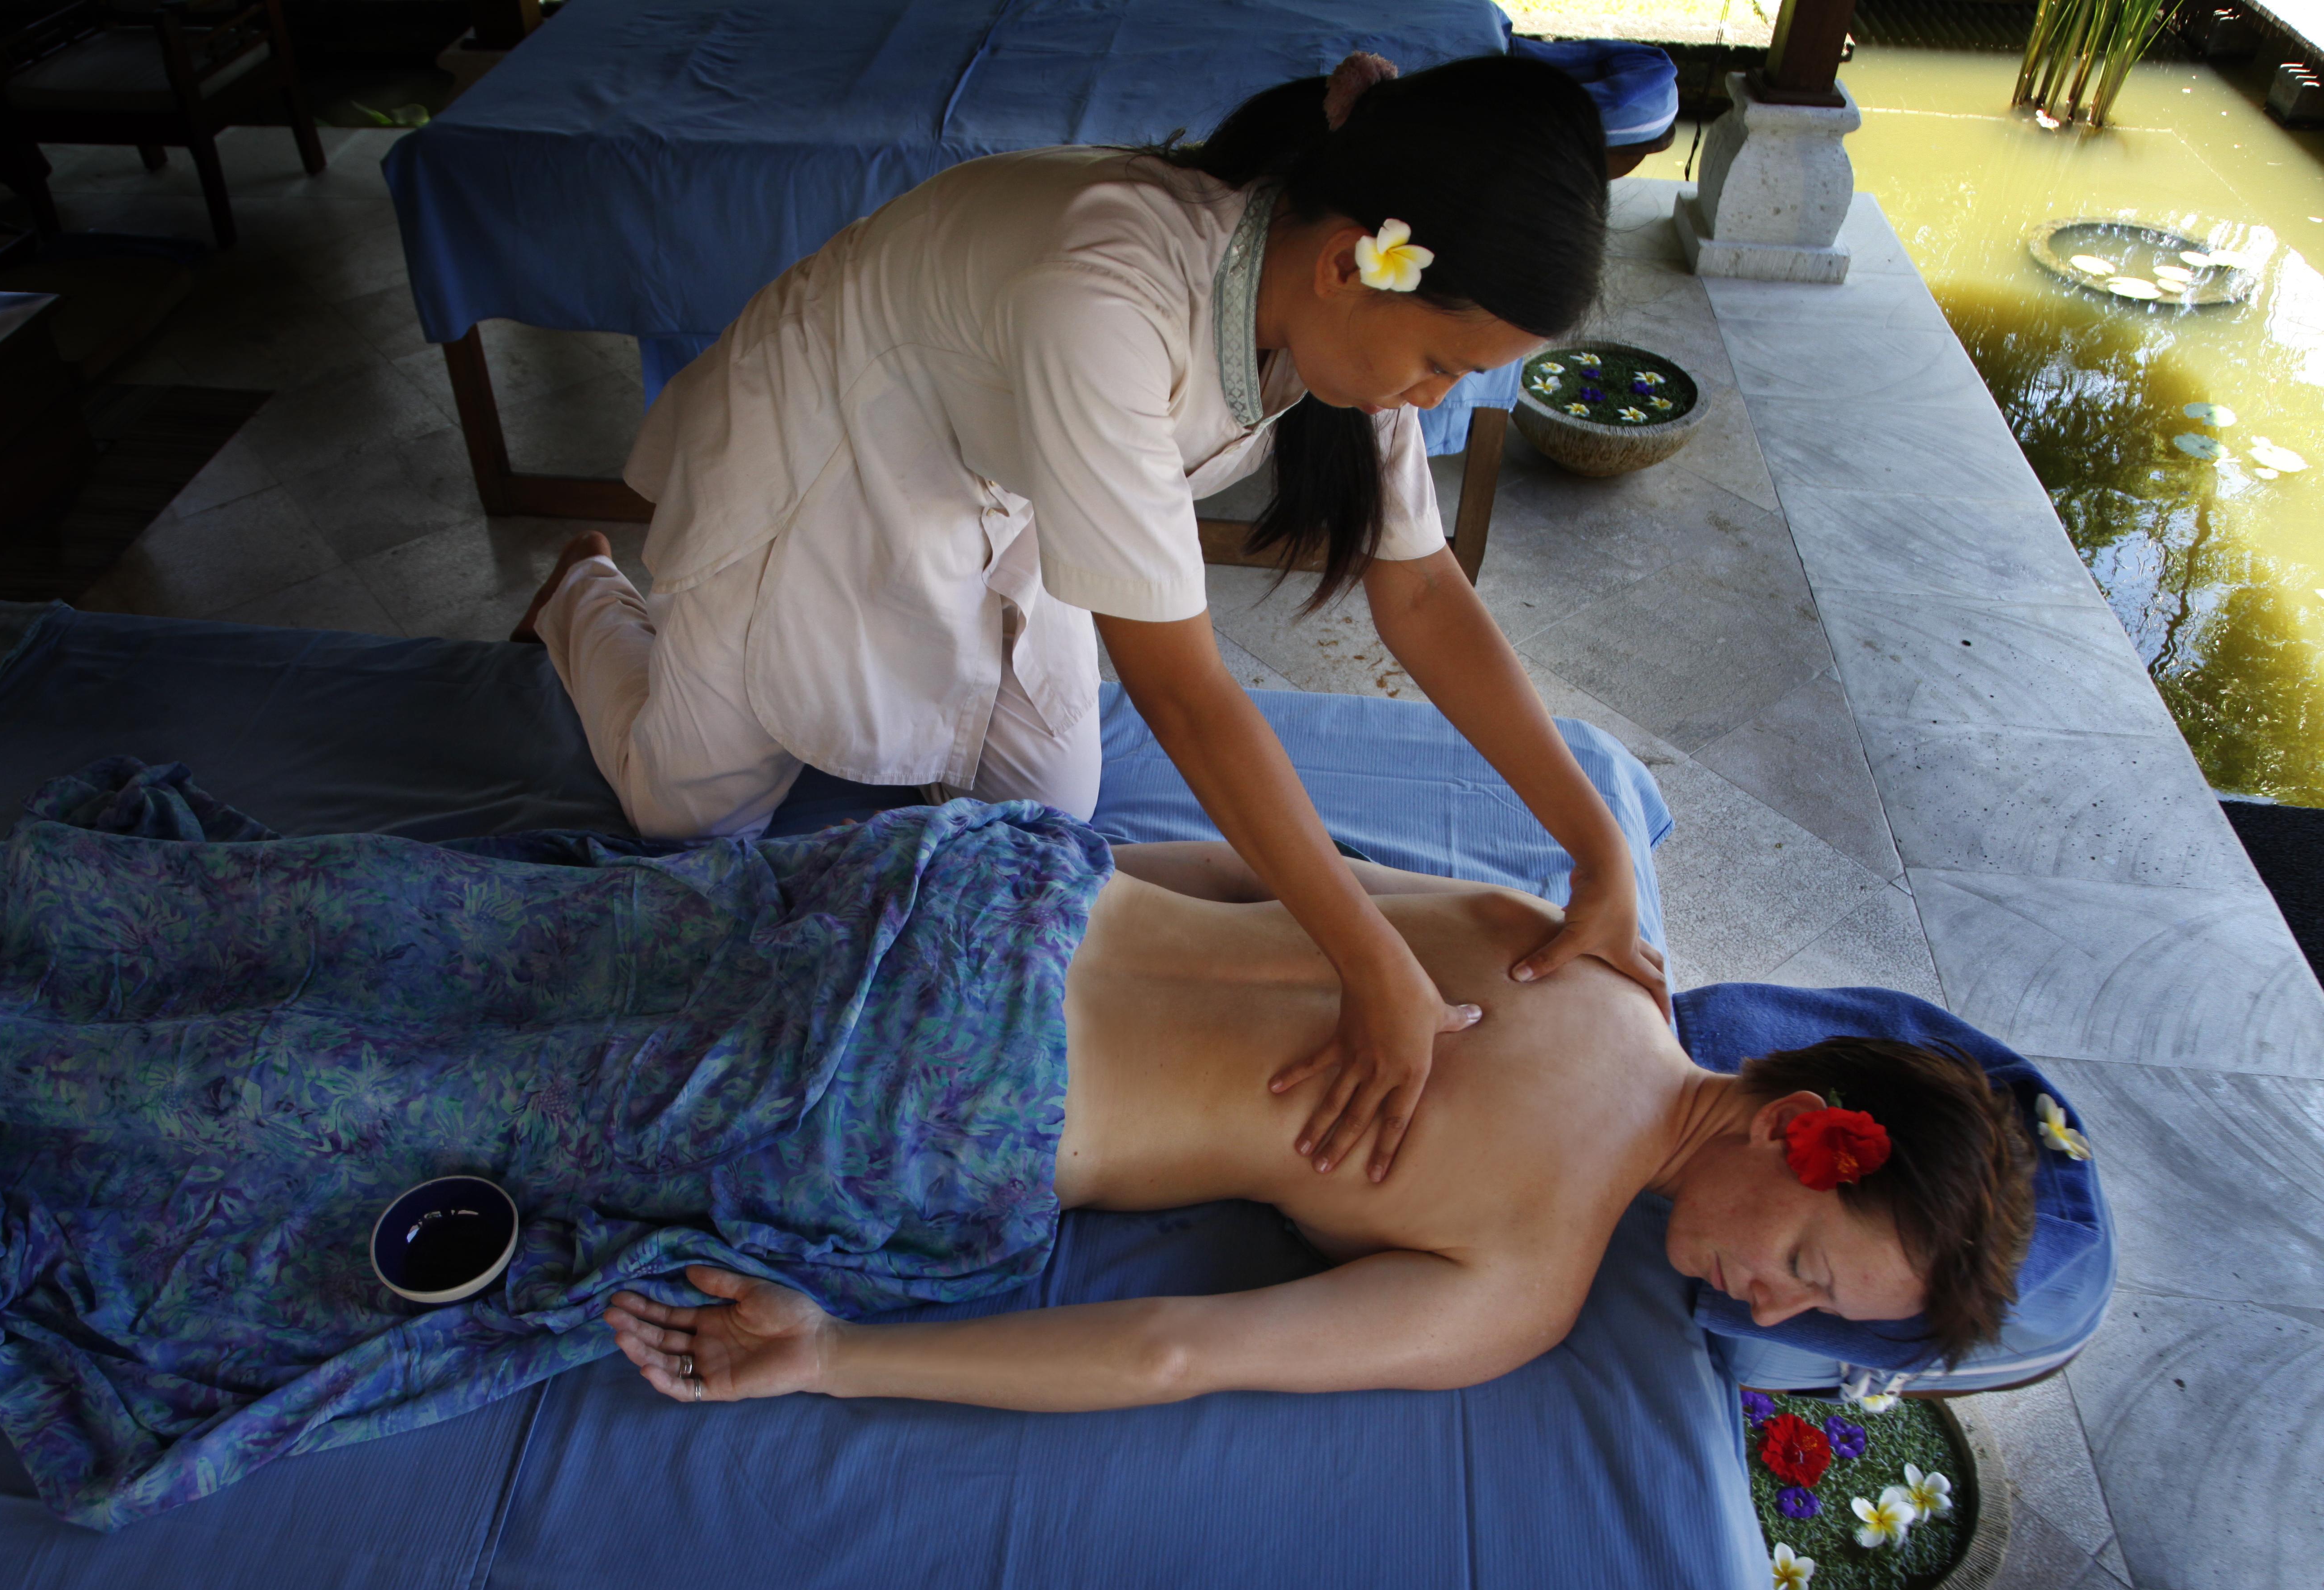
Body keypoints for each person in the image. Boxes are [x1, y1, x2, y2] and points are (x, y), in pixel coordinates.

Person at [515, 53, 1667, 1181]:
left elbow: (1417, 590)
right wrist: (1370, 960)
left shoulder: (1347, 315)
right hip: (833, 431)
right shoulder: (1109, 296)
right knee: (684, 815)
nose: (1438, 398)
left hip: (1008, 470)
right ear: (1347, 269)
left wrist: (1596, 847)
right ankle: (584, 593)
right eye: (1442, 363)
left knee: (1046, 828)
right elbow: (1181, 689)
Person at [603, 836, 2039, 1412]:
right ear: (1802, 1135)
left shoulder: (1566, 947)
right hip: (936, 1096)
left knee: (547, 929)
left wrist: (1035, 848)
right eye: (1809, 1268)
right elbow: (1177, 1349)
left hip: (978, 881)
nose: (1769, 1316)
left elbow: (1246, 871)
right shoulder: (1526, 1286)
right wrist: (840, 1358)